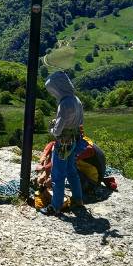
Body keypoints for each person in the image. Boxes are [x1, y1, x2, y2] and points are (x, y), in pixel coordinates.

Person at [39, 71, 86, 216]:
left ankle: (55, 206)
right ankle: (78, 199)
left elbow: (57, 130)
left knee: (58, 174)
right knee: (71, 171)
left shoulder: (65, 103)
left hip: (63, 144)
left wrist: (51, 128)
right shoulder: (76, 100)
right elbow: (81, 122)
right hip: (75, 141)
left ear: (58, 88)